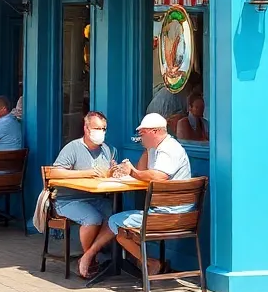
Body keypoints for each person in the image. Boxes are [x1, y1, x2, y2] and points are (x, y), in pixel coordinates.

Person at [78, 113, 190, 278]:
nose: (139, 136)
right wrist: (146, 150)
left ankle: (88, 255)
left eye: (142, 133)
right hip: (174, 214)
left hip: (167, 217)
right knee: (122, 231)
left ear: (155, 131)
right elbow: (143, 171)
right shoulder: (157, 148)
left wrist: (133, 171)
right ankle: (150, 263)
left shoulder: (168, 150)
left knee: (114, 221)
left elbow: (158, 176)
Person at [48, 111, 116, 278]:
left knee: (116, 218)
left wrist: (114, 171)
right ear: (86, 128)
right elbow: (55, 173)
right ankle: (90, 260)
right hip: (68, 200)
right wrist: (86, 173)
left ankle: (88, 257)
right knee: (92, 218)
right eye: (96, 128)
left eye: (103, 129)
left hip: (96, 197)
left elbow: (105, 173)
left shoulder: (106, 150)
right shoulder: (73, 147)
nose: (100, 132)